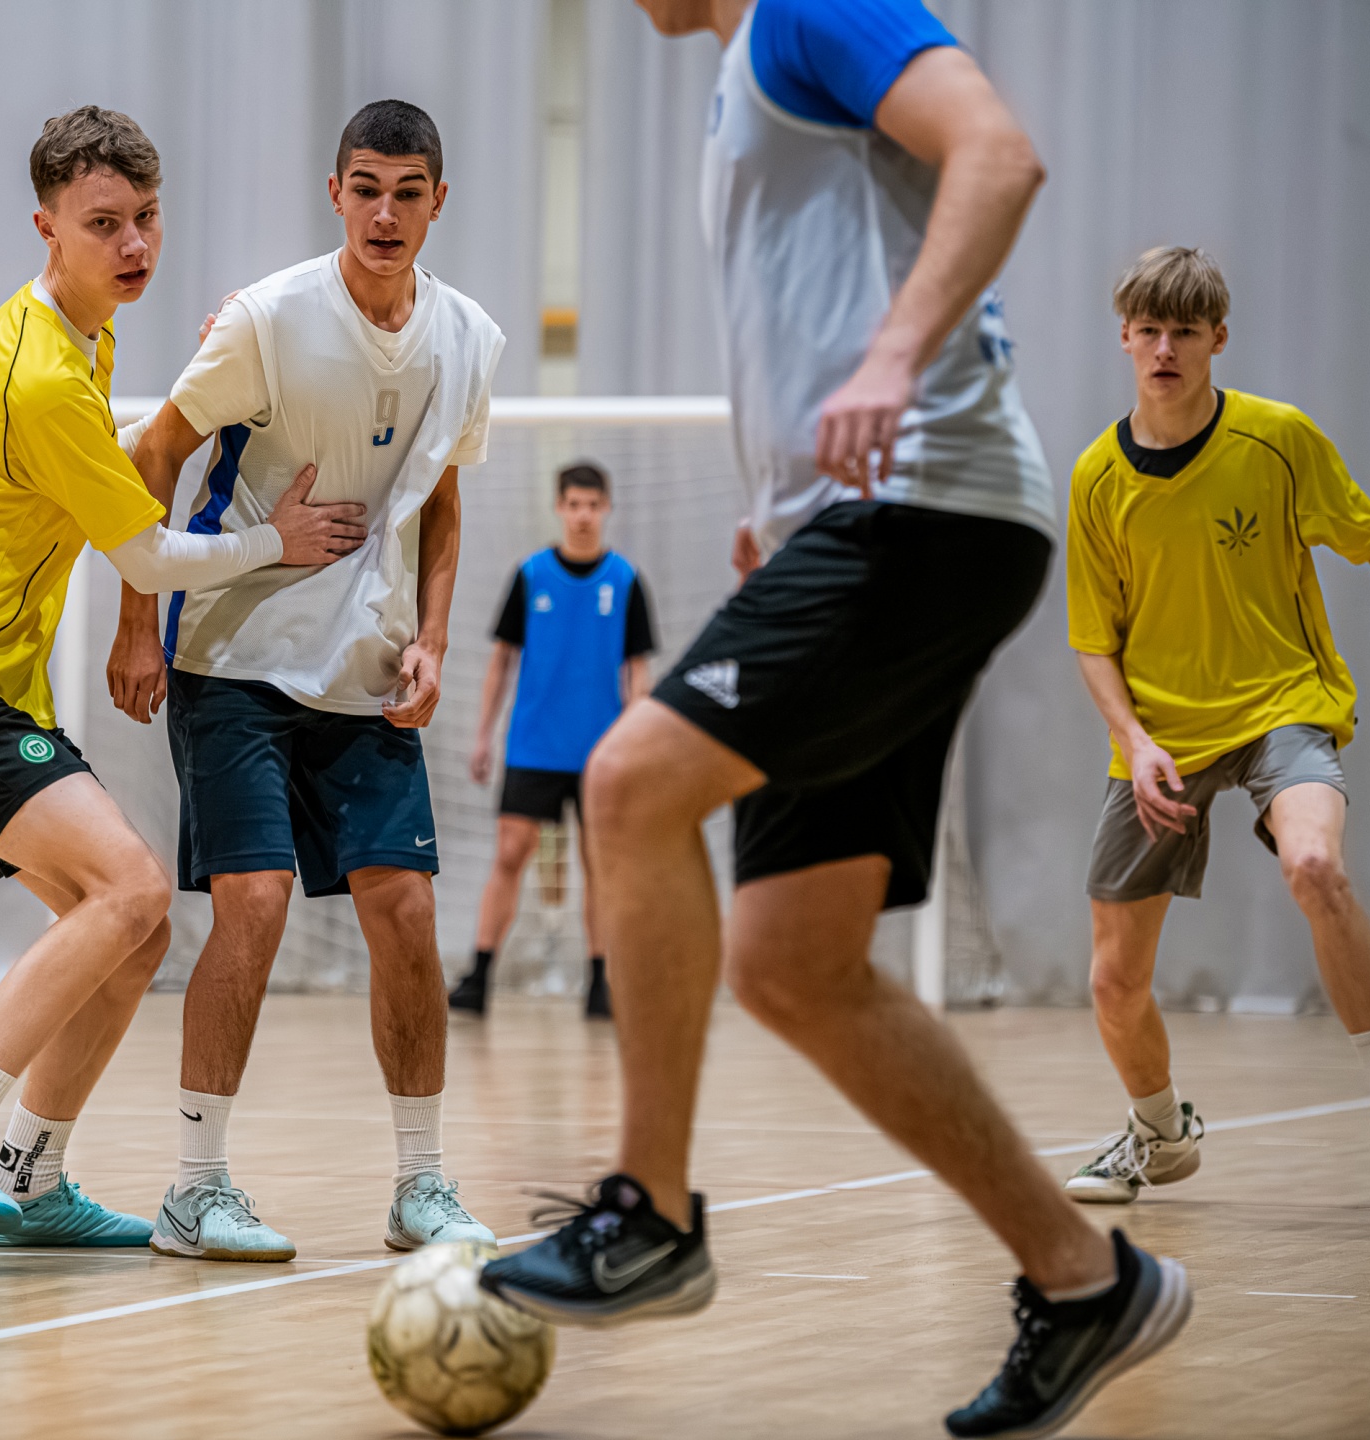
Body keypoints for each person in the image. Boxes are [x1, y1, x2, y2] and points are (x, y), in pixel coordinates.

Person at [480, 4, 1189, 1437]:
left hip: (921, 511)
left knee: (627, 784)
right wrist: (783, 503)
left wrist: (892, 361)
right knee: (794, 965)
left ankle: (650, 1214)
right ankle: (1083, 1279)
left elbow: (998, 153)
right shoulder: (743, 76)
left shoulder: (808, 6)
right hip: (865, 526)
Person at [0, 107, 365, 1248]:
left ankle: (29, 1177)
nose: (133, 244)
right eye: (102, 224)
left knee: (134, 933)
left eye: (146, 216)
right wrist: (275, 542)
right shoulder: (41, 374)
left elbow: (112, 469)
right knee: (134, 890)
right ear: (46, 227)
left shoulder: (80, 335)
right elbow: (147, 557)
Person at [106, 100, 503, 1262]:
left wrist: (434, 639)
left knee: (407, 911)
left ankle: (421, 1186)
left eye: (409, 192)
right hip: (233, 657)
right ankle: (193, 1190)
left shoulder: (469, 339)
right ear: (335, 193)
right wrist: (137, 624)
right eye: (366, 188)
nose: (385, 212)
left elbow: (442, 499)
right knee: (258, 902)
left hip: (365, 668)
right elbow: (154, 453)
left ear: (438, 202)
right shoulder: (268, 318)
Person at [1060, 247, 1370, 1206]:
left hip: (1280, 707)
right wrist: (1136, 742)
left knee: (1315, 865)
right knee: (1113, 979)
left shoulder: (1279, 440)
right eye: (1149, 330)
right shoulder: (1096, 477)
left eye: (1185, 331)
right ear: (1125, 337)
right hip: (1160, 739)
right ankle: (1159, 1135)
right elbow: (1093, 642)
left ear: (1219, 338)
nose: (1165, 349)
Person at [450, 461, 656, 1019]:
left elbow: (638, 671)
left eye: (593, 505)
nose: (584, 514)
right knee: (509, 854)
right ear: (560, 508)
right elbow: (501, 661)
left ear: (606, 508)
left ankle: (599, 983)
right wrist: (483, 736)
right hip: (533, 745)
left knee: (599, 865)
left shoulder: (626, 580)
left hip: (601, 752)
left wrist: (636, 740)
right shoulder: (531, 574)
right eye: (574, 504)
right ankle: (479, 976)